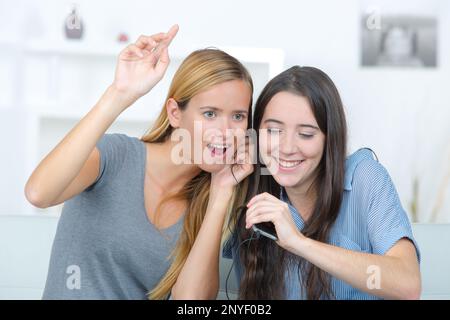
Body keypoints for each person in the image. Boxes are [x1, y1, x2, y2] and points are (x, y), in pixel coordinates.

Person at [25, 25, 254, 299]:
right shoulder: (114, 156)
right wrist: (119, 93)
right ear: (175, 113)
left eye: (238, 117)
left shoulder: (210, 203)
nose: (226, 130)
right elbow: (39, 193)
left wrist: (220, 194)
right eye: (210, 113)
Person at [224, 66, 421, 299]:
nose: (286, 148)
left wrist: (300, 243)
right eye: (274, 131)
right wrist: (221, 190)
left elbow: (408, 285)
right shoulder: (255, 199)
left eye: (306, 134)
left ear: (330, 138)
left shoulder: (364, 178)